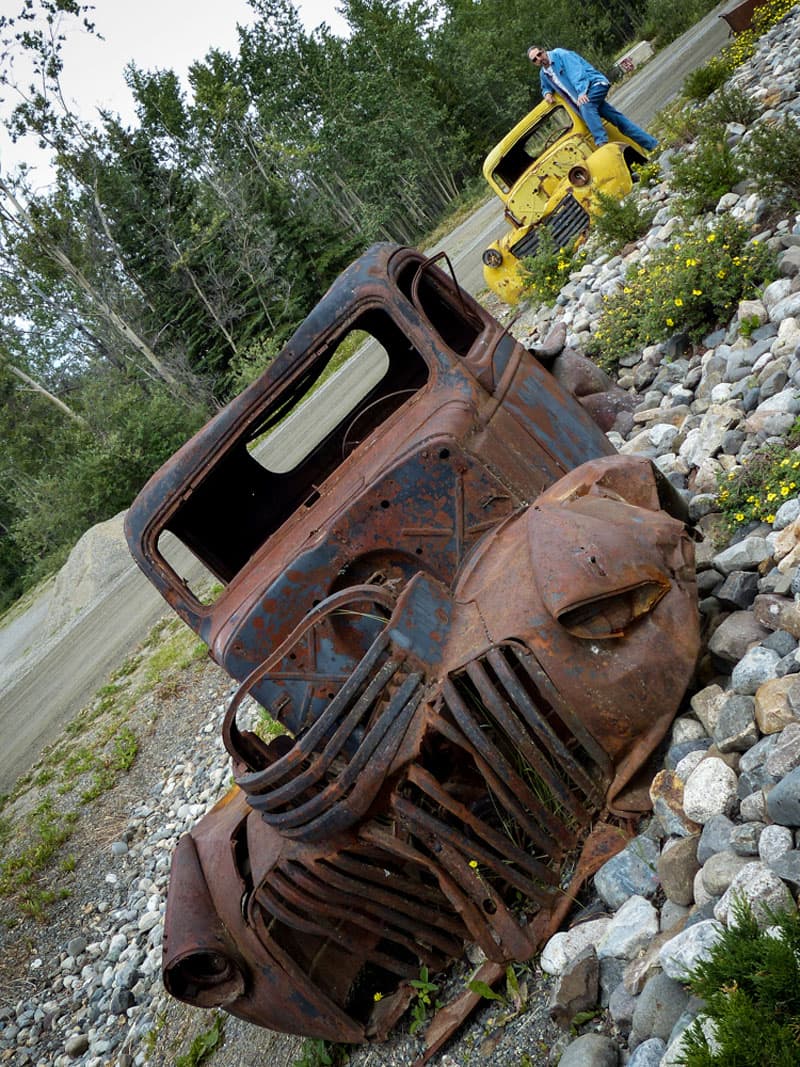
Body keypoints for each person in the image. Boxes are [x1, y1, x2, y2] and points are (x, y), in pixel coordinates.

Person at [527, 45, 658, 153]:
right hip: (585, 96)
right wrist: (547, 94)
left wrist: (581, 92)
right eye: (535, 59)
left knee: (586, 106)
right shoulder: (544, 74)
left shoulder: (560, 55)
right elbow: (545, 87)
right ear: (534, 63)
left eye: (539, 54)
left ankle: (601, 143)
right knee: (619, 121)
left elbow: (577, 72)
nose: (539, 58)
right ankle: (653, 145)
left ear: (543, 50)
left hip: (594, 85)